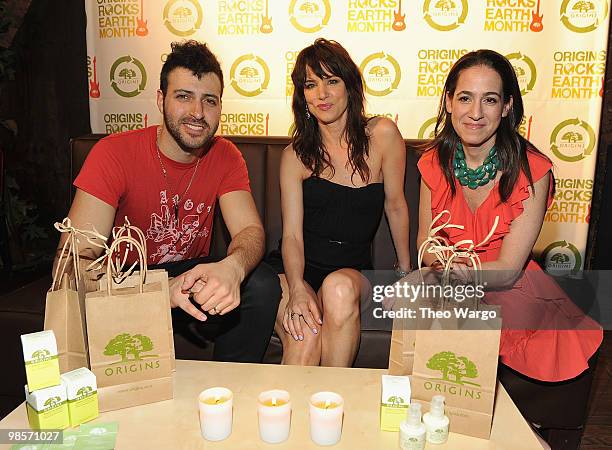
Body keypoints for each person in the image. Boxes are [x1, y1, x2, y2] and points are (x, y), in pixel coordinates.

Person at [55, 40, 281, 363]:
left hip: (189, 290)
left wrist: (232, 268)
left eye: (209, 101)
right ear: (161, 100)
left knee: (261, 284)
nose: (198, 113)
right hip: (125, 284)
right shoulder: (114, 154)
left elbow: (250, 231)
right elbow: (70, 265)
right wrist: (159, 288)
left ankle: (225, 395)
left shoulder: (225, 156)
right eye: (184, 96)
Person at [417, 49, 602, 382]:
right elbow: (425, 244)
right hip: (449, 277)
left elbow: (507, 268)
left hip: (509, 286)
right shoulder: (433, 162)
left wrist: (460, 277)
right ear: (448, 102)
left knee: (469, 318)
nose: (475, 113)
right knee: (407, 300)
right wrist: (445, 270)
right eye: (464, 98)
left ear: (506, 107)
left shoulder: (532, 170)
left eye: (489, 100)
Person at [266, 39, 411, 367]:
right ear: (302, 96)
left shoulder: (383, 135)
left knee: (337, 290)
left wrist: (404, 274)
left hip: (351, 271)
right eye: (311, 84)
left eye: (332, 81)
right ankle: (286, 415)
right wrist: (297, 286)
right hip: (296, 269)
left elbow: (396, 205)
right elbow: (291, 236)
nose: (322, 94)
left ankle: (330, 405)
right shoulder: (295, 156)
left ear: (350, 86)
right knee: (305, 334)